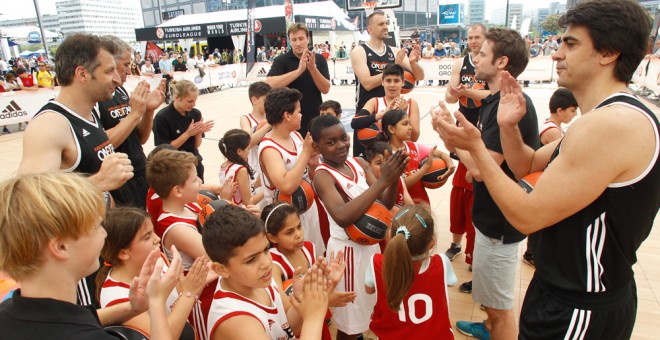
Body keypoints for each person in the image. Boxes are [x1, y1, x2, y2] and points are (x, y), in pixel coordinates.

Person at [436, 1, 659, 338]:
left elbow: (527, 217)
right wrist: (508, 128)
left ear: (608, 53)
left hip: (580, 304)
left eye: (570, 44)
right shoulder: (600, 118)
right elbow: (526, 164)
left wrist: (473, 147)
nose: (556, 54)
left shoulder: (612, 125)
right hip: (566, 291)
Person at [433, 27, 539, 340]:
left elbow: (482, 169)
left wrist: (451, 140)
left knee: (501, 310)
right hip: (490, 217)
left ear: (502, 61)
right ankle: (489, 327)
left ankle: (496, 329)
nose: (475, 56)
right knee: (490, 300)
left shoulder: (510, 105)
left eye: (482, 53)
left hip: (499, 223)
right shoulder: (495, 100)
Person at [0, 172, 178, 340]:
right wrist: (156, 302)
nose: (104, 234)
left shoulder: (8, 311)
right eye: (97, 226)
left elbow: (66, 319)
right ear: (61, 246)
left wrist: (132, 308)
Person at [310, 114, 408, 340]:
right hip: (346, 254)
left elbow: (385, 203)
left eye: (343, 138)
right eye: (331, 142)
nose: (341, 145)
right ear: (317, 146)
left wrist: (393, 179)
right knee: (349, 322)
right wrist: (384, 180)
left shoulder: (358, 162)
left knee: (366, 307)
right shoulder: (322, 176)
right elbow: (342, 216)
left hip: (369, 247)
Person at [203, 204, 331, 340]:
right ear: (221, 269)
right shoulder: (237, 321)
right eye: (251, 260)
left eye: (265, 250)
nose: (266, 263)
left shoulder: (258, 280)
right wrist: (313, 318)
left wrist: (308, 298)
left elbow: (287, 327)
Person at [97, 207, 206, 339]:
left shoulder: (157, 259)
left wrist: (197, 279)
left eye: (153, 231)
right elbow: (166, 336)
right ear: (123, 253)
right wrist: (190, 294)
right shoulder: (117, 298)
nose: (157, 238)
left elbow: (179, 294)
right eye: (147, 236)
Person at [145, 148, 218, 340]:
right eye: (195, 180)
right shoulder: (175, 228)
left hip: (214, 289)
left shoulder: (189, 205)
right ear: (177, 191)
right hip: (201, 300)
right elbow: (217, 254)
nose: (200, 183)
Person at [443, 23, 489, 289]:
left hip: (484, 133)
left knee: (476, 188)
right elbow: (451, 98)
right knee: (460, 191)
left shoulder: (490, 63)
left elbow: (490, 94)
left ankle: (475, 249)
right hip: (464, 128)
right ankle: (456, 244)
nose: (473, 41)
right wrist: (454, 93)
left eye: (477, 37)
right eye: (470, 37)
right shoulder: (461, 63)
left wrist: (465, 91)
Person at [261, 201, 351, 340]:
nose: (298, 234)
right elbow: (284, 307)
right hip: (297, 329)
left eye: (299, 226)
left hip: (315, 319)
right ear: (272, 237)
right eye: (289, 232)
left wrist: (328, 281)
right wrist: (325, 298)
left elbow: (316, 286)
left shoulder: (309, 248)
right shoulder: (274, 263)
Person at [365, 205, 457, 339]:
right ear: (431, 243)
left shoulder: (376, 263)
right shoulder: (442, 262)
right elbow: (451, 282)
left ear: (390, 235)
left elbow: (369, 290)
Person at [98, 35, 165, 209]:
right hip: (119, 183)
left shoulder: (120, 92)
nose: (129, 71)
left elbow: (139, 138)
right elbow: (101, 145)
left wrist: (148, 111)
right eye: (126, 65)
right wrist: (135, 114)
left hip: (139, 172)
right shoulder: (97, 99)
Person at [258, 88, 325, 256]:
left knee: (314, 255)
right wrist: (306, 153)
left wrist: (312, 164)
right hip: (286, 219)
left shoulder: (294, 136)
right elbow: (286, 185)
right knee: (296, 264)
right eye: (299, 111)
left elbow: (305, 172)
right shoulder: (269, 149)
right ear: (287, 115)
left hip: (306, 207)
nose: (302, 115)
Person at [350, 11, 424, 156]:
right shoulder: (359, 51)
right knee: (365, 163)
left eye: (386, 23)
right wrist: (393, 66)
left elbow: (419, 76)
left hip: (391, 114)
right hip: (369, 113)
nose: (386, 27)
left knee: (388, 160)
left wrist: (414, 63)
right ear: (370, 29)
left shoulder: (394, 51)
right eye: (381, 24)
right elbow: (367, 83)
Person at [379, 109, 454, 205]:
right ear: (391, 129)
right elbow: (400, 185)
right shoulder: (386, 155)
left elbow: (440, 154)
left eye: (410, 123)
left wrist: (450, 165)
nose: (410, 127)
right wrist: (425, 169)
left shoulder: (413, 147)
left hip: (423, 205)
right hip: (402, 211)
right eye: (405, 124)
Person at [266, 23, 330, 137]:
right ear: (289, 41)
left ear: (307, 39)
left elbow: (325, 89)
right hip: (288, 121)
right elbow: (270, 84)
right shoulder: (281, 60)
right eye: (294, 40)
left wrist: (312, 69)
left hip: (314, 118)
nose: (298, 43)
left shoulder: (319, 59)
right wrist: (298, 71)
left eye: (301, 39)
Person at [153, 80, 214, 182]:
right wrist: (188, 133)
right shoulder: (162, 118)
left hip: (194, 163)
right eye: (190, 101)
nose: (194, 104)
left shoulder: (195, 114)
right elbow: (164, 150)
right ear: (177, 97)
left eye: (195, 100)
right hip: (174, 168)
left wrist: (198, 132)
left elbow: (196, 145)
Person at [351, 63, 421, 147]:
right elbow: (355, 123)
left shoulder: (411, 103)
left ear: (403, 83)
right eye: (388, 81)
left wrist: (402, 114)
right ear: (382, 82)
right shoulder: (374, 102)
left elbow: (414, 137)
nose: (392, 85)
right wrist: (383, 114)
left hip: (404, 153)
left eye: (396, 81)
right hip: (382, 155)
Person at [219, 129, 264, 207]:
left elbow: (238, 192)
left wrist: (254, 185)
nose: (249, 152)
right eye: (248, 149)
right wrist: (266, 189)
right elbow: (248, 202)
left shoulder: (224, 165)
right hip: (240, 213)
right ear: (239, 151)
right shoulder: (240, 170)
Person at [239, 81, 272, 189]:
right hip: (255, 168)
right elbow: (248, 142)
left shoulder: (271, 117)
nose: (268, 104)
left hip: (270, 164)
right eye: (265, 100)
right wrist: (268, 125)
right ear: (254, 100)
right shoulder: (246, 119)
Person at [364, 141, 413, 207]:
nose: (384, 166)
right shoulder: (366, 186)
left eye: (388, 161)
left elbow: (410, 205)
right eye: (378, 163)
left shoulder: (399, 179)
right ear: (368, 165)